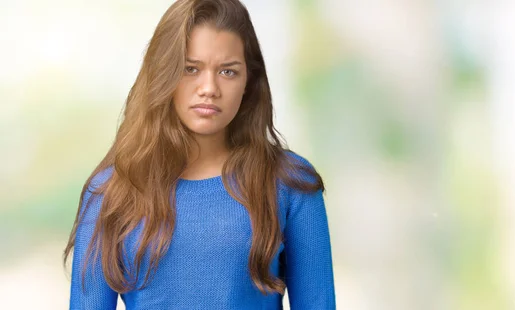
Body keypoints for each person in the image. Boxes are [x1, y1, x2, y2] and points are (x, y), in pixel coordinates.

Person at [62, 0, 336, 309]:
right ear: (163, 74)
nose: (209, 88)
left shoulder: (289, 183)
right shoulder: (110, 191)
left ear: (249, 81)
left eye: (228, 72)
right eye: (190, 69)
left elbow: (318, 303)